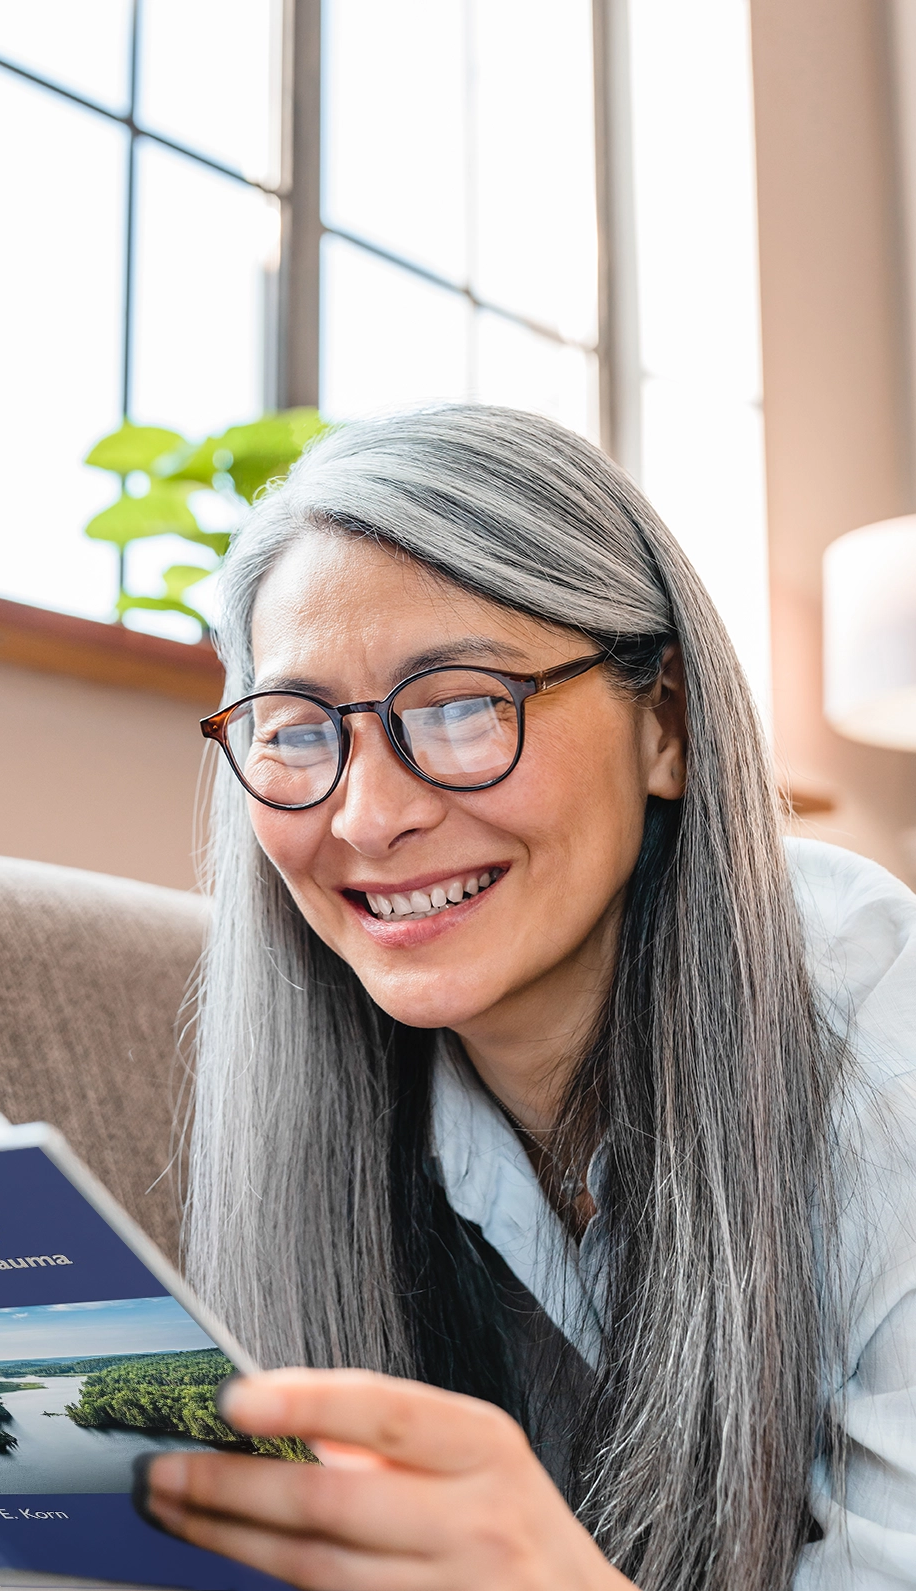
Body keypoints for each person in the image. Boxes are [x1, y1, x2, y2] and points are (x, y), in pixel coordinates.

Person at [135, 406, 916, 1591]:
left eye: (460, 705)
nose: (366, 817)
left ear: (665, 723)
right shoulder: (322, 1099)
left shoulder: (877, 1031)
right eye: (296, 731)